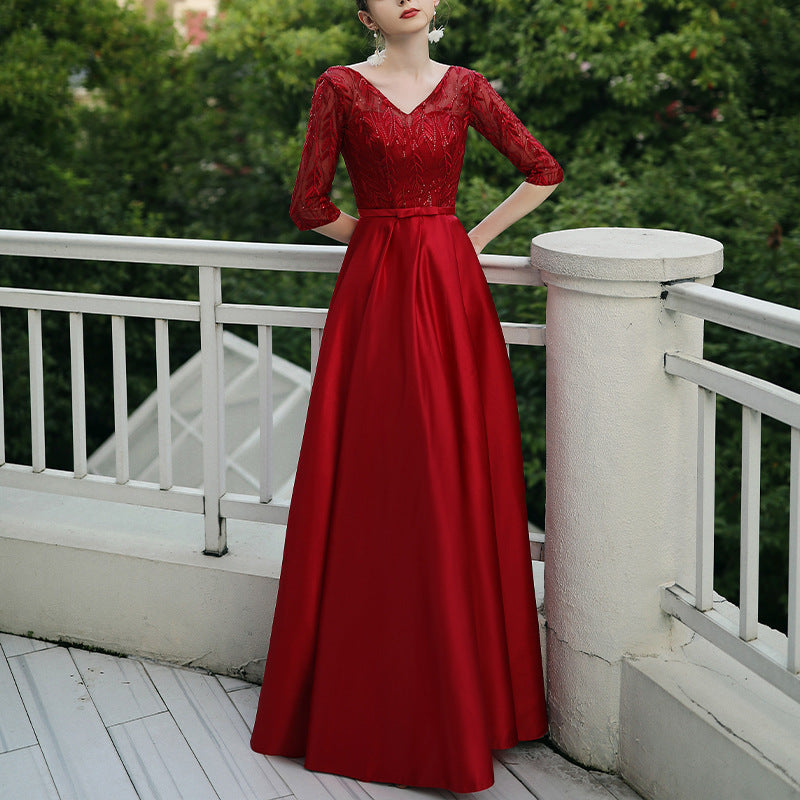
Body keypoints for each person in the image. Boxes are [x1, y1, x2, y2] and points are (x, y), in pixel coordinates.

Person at [250, 0, 563, 792]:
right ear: (366, 15)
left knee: (452, 473)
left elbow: (544, 169)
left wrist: (464, 237)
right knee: (386, 478)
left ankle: (471, 695)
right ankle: (381, 700)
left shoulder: (466, 89)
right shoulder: (339, 89)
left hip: (449, 288)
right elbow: (308, 203)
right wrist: (393, 231)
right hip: (379, 294)